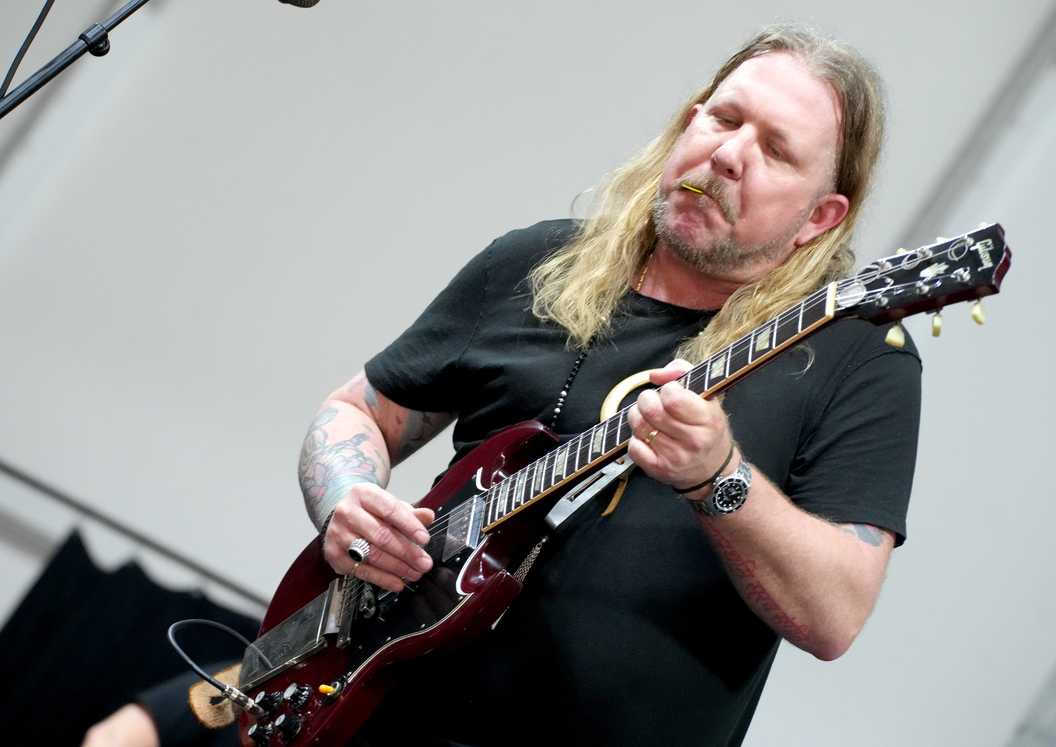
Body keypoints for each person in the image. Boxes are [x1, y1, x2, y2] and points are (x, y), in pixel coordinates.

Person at [84, 22, 920, 747]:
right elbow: (358, 414)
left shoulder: (855, 354)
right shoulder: (537, 261)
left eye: (775, 150)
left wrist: (721, 479)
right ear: (688, 120)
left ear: (821, 217)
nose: (729, 154)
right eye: (724, 117)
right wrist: (345, 497)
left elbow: (835, 613)